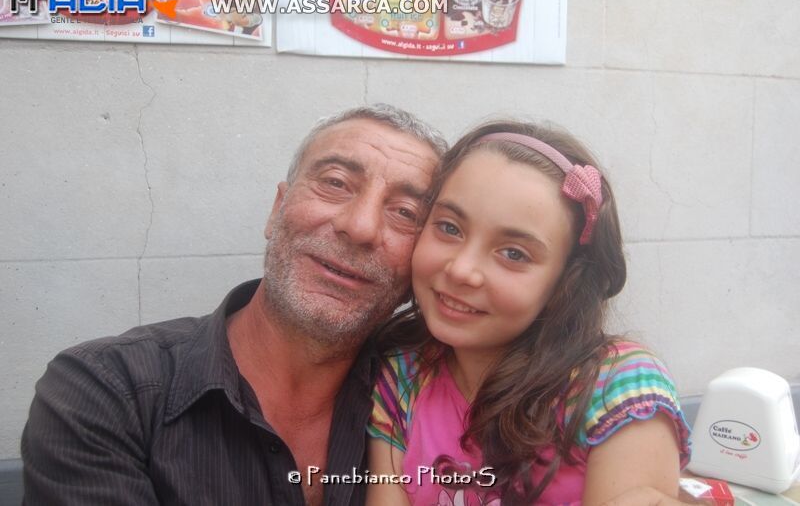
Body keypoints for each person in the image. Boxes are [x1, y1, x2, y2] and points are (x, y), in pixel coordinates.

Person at [21, 104, 446, 506]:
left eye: (406, 212)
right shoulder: (106, 391)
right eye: (335, 183)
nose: (360, 226)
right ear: (277, 209)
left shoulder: (437, 397)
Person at [366, 121, 692, 505]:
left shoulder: (615, 386)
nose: (461, 270)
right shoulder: (402, 377)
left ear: (565, 282)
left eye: (514, 253)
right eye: (450, 228)